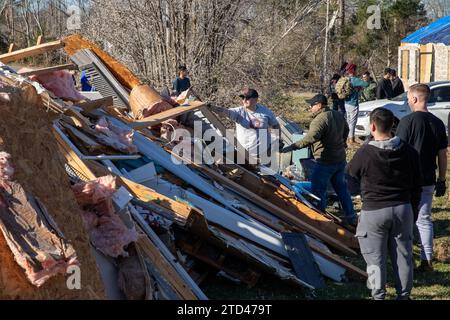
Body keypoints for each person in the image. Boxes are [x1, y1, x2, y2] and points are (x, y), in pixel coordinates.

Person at [347, 108, 422, 300]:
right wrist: (412, 208)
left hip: (374, 210)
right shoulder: (409, 151)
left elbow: (350, 179)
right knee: (403, 256)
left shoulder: (365, 152)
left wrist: (360, 193)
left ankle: (377, 295)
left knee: (374, 257)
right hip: (402, 208)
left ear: (372, 126)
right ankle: (404, 296)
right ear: (392, 125)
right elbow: (417, 184)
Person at [281, 94, 357, 225]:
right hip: (340, 160)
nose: (310, 107)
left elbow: (311, 138)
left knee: (318, 191)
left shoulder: (319, 120)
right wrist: (343, 142)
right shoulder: (337, 114)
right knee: (341, 189)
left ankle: (321, 219)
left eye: (312, 105)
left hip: (325, 161)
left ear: (320, 105)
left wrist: (292, 147)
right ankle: (351, 216)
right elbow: (347, 129)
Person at [396, 84, 448, 272]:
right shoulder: (437, 123)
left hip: (407, 179)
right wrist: (442, 179)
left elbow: (398, 150)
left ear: (415, 99)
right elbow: (443, 154)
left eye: (409, 98)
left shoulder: (407, 122)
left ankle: (405, 258)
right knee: (424, 219)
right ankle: (427, 260)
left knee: (405, 220)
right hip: (428, 179)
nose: (408, 101)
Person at [209, 88, 280, 163]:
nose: (244, 100)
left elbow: (275, 125)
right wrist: (211, 107)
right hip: (245, 156)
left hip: (265, 154)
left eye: (248, 98)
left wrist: (278, 139)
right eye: (243, 98)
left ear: (256, 99)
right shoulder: (238, 112)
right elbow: (225, 112)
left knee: (268, 174)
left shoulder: (266, 112)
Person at [343, 64, 369, 145]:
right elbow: (366, 84)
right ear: (353, 70)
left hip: (346, 102)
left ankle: (347, 137)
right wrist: (365, 79)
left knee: (348, 121)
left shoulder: (346, 79)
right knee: (353, 122)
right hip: (353, 103)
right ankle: (351, 139)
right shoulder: (355, 80)